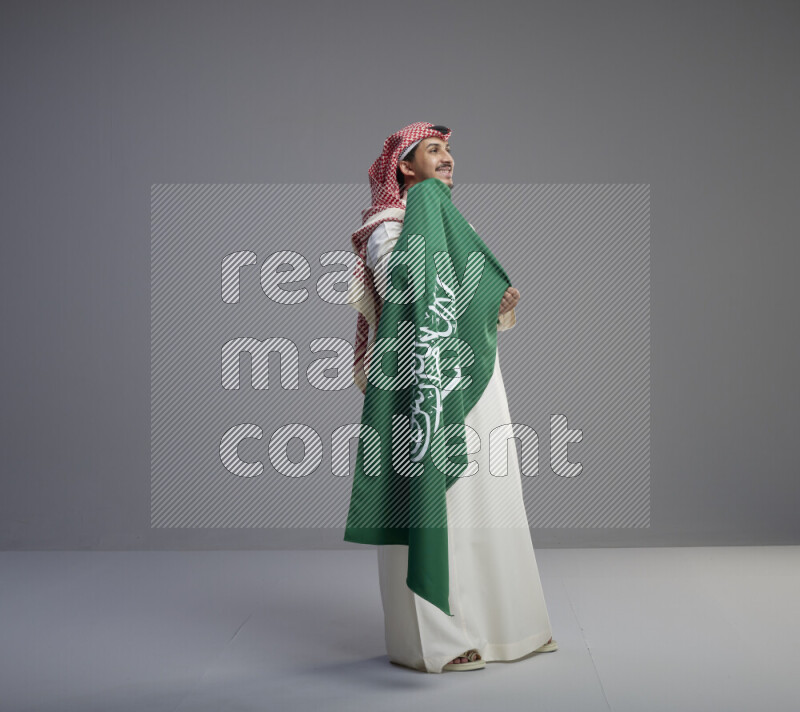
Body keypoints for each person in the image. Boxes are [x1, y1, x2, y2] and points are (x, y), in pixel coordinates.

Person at [347, 122, 557, 673]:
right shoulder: (388, 226)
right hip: (419, 387)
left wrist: (496, 302)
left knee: (484, 495)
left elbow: (465, 298)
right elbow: (405, 289)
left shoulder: (452, 222)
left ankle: (504, 626)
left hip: (470, 379)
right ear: (404, 167)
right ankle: (437, 640)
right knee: (432, 496)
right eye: (434, 150)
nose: (448, 159)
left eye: (449, 152)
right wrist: (463, 285)